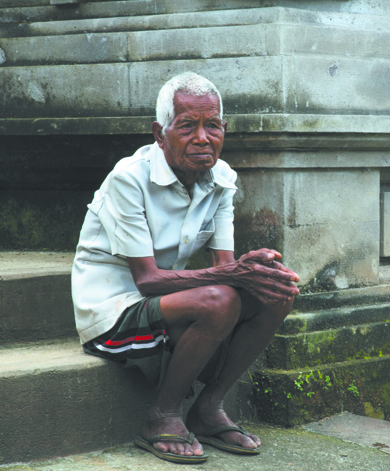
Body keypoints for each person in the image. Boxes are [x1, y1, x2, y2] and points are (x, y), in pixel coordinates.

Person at [71, 72, 299, 464]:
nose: (202, 138)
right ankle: (163, 416)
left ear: (223, 129)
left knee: (275, 292)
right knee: (217, 299)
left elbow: (225, 268)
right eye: (187, 126)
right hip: (111, 316)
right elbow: (147, 281)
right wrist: (233, 275)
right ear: (160, 134)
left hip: (167, 304)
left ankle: (209, 407)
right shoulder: (128, 179)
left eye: (212, 126)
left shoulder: (222, 178)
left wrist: (254, 272)